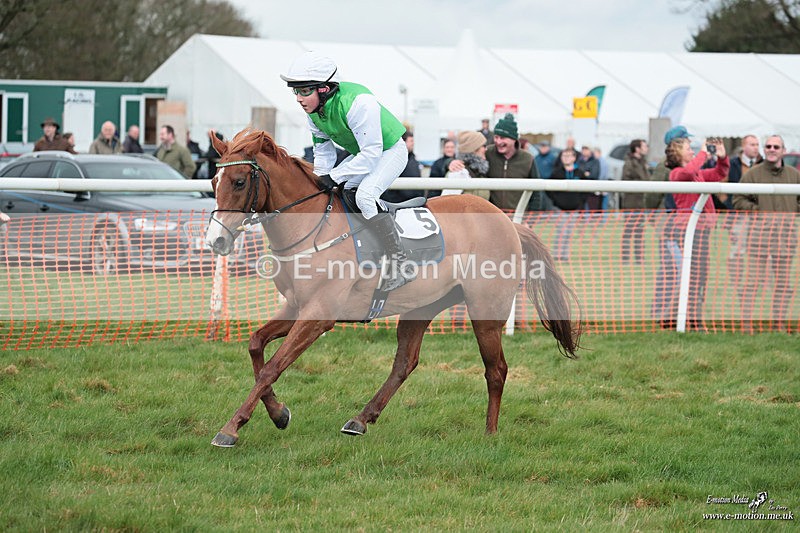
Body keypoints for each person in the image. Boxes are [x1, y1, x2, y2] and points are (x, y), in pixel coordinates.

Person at [280, 50, 413, 291]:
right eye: (295, 91)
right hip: (364, 153)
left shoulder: (358, 104)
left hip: (390, 151)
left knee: (364, 195)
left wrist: (334, 176)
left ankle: (401, 262)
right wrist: (318, 179)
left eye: (304, 91)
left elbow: (372, 154)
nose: (299, 98)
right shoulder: (314, 114)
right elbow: (324, 153)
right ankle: (363, 246)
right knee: (340, 193)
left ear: (324, 89)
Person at [733, 135, 800, 333]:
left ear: (782, 150)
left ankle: (778, 323)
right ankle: (746, 324)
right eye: (768, 146)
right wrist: (757, 210)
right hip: (758, 237)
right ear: (764, 149)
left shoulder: (794, 175)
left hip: (786, 238)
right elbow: (737, 199)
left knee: (783, 284)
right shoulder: (753, 174)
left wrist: (794, 210)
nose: (771, 149)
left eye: (776, 146)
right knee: (752, 283)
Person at [667, 125, 729, 331]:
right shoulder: (677, 174)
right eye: (688, 148)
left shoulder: (697, 174)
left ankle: (693, 319)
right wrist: (703, 152)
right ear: (677, 153)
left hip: (702, 231)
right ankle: (684, 319)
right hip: (688, 231)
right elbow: (690, 170)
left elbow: (720, 173)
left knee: (700, 276)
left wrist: (722, 157)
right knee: (692, 277)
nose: (693, 150)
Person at [450, 113, 543, 211]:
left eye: (502, 138)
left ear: (514, 139)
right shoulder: (487, 152)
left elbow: (536, 191)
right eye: (496, 137)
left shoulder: (528, 159)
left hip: (518, 216)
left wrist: (531, 217)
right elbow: (467, 159)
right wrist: (450, 162)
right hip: (493, 217)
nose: (498, 141)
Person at [548, 148, 591, 260]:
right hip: (560, 209)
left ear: (574, 158)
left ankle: (565, 255)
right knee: (561, 232)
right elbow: (548, 189)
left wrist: (580, 202)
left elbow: (587, 190)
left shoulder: (580, 173)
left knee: (569, 233)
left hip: (574, 209)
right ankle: (557, 254)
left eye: (568, 155)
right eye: (564, 156)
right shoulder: (556, 173)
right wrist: (556, 201)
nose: (566, 158)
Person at [620, 139, 649, 264]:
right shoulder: (629, 163)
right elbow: (626, 180)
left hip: (640, 202)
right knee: (628, 232)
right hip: (631, 203)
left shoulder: (642, 162)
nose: (646, 148)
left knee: (640, 232)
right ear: (637, 148)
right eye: (644, 146)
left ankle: (639, 259)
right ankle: (626, 259)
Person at [440, 130, 490, 199]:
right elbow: (446, 203)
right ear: (474, 149)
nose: (486, 149)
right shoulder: (459, 172)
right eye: (483, 146)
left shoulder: (479, 171)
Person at [382, 131, 423, 203]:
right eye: (411, 141)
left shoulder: (413, 159)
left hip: (414, 201)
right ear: (403, 142)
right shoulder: (394, 159)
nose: (413, 143)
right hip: (398, 202)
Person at [577, 145, 601, 210]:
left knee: (591, 210)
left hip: (591, 190)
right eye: (583, 149)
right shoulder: (579, 160)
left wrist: (584, 174)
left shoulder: (595, 161)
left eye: (586, 149)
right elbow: (577, 173)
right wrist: (585, 173)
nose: (584, 151)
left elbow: (594, 174)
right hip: (580, 189)